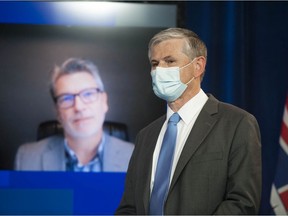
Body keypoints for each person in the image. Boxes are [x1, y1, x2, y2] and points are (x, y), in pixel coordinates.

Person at [116, 28, 261, 214]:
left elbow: (242, 203)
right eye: (155, 63)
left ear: (198, 66)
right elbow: (129, 207)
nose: (160, 70)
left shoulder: (237, 123)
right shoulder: (146, 135)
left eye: (170, 61)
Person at [15, 58, 134, 172]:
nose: (78, 107)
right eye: (66, 98)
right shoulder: (27, 158)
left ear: (104, 102)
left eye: (88, 94)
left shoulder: (139, 156)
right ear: (57, 112)